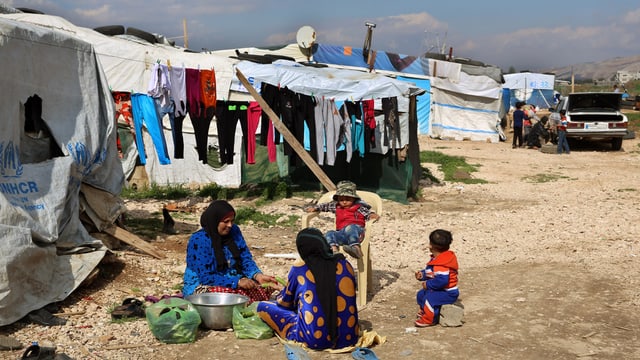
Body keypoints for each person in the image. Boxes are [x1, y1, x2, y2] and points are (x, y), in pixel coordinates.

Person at [256, 227, 359, 350]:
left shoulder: (300, 269)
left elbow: (285, 304)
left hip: (314, 340)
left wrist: (281, 292)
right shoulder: (345, 265)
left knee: (263, 306)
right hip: (349, 338)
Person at [182, 200, 281, 301]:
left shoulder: (234, 231)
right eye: (225, 222)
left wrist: (257, 275)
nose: (230, 225)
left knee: (266, 286)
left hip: (232, 278)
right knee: (227, 296)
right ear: (214, 221)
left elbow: (245, 259)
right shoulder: (199, 240)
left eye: (232, 221)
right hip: (205, 285)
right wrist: (237, 281)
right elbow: (206, 277)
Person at [305, 180, 380, 259]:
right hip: (342, 235)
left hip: (357, 234)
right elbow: (325, 206)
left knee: (350, 227)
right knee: (330, 233)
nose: (344, 202)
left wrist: (371, 215)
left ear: (354, 198)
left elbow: (367, 213)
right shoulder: (337, 206)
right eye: (341, 199)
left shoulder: (359, 207)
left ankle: (356, 248)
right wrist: (316, 207)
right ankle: (334, 251)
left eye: (348, 199)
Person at [414, 229, 459, 327]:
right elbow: (433, 273)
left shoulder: (442, 264)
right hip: (440, 290)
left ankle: (429, 319)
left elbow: (442, 281)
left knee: (429, 299)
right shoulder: (439, 259)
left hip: (448, 292)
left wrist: (428, 284)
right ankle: (426, 311)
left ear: (431, 246)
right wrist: (423, 275)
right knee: (421, 294)